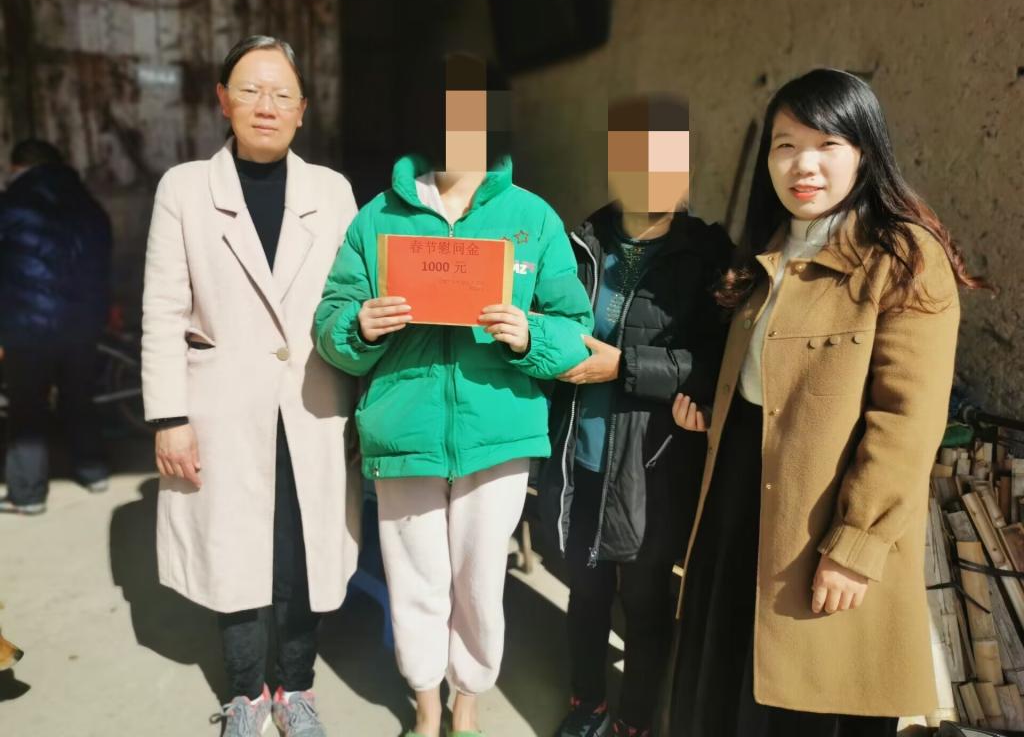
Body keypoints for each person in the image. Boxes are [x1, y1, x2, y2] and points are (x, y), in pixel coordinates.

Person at [668, 68, 983, 737]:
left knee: (805, 703)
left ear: (865, 152)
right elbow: (759, 376)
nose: (802, 165)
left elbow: (908, 420)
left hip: (823, 516)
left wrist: (855, 546)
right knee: (724, 692)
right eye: (785, 146)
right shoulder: (766, 253)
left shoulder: (902, 257)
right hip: (738, 503)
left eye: (827, 144)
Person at [314, 52, 594, 737]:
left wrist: (530, 335)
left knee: (478, 581)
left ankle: (466, 705)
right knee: (415, 581)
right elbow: (330, 322)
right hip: (404, 431)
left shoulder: (531, 218)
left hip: (498, 433)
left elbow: (574, 328)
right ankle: (425, 706)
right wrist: (360, 326)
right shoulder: (378, 218)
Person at [141, 35, 361, 737]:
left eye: (281, 94)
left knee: (303, 551)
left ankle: (296, 686)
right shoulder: (184, 188)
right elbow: (163, 310)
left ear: (302, 108)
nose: (266, 106)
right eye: (250, 90)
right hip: (220, 405)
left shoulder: (332, 191)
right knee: (232, 551)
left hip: (313, 402)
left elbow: (354, 297)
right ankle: (245, 693)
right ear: (222, 101)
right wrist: (168, 417)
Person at [538, 95, 731, 737]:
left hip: (655, 461)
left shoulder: (710, 257)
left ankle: (636, 719)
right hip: (580, 452)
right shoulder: (578, 245)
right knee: (585, 590)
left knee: (647, 598)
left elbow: (717, 364)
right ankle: (588, 704)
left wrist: (621, 366)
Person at [0, 139, 112, 515]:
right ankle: (94, 471)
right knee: (79, 397)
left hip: (28, 324)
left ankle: (28, 495)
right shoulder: (88, 204)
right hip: (84, 322)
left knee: (27, 409)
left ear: (19, 167)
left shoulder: (11, 204)